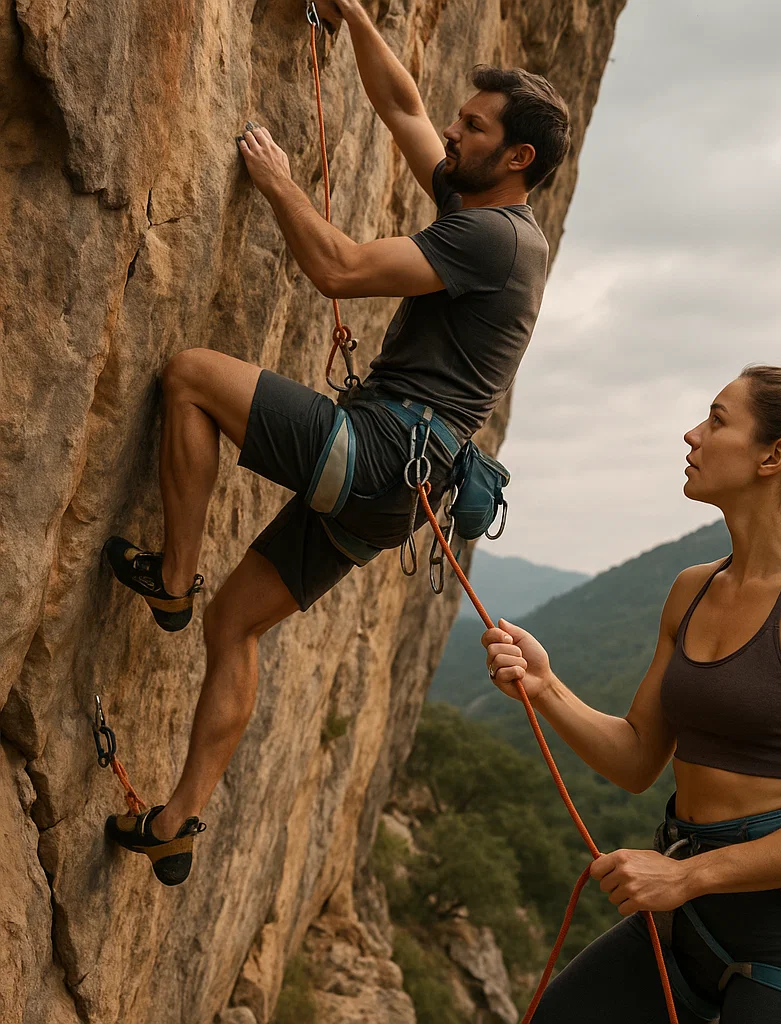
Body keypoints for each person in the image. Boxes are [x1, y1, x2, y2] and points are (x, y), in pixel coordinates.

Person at [103, 0, 570, 886]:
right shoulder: (496, 217)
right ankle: (175, 820)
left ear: (517, 159)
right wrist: (355, 13)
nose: (453, 133)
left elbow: (340, 270)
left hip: (384, 447)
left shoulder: (490, 239)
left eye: (473, 127)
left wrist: (277, 177)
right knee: (235, 621)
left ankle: (170, 575)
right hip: (400, 494)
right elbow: (400, 107)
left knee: (193, 375)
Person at [482, 365, 781, 1023]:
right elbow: (636, 758)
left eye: (717, 420)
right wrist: (546, 690)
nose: (692, 435)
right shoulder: (693, 589)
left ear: (774, 456)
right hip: (684, 922)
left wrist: (685, 876)